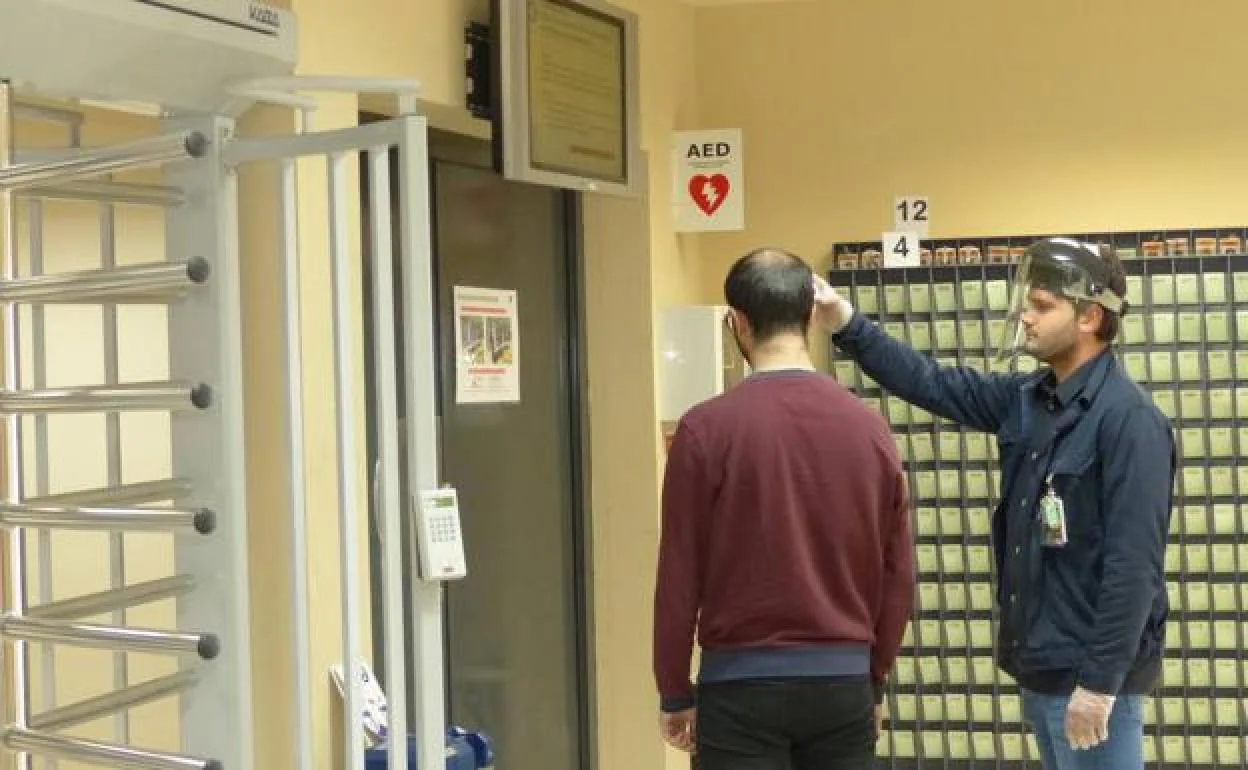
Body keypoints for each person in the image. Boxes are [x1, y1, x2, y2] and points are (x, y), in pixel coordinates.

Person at [813, 237, 1176, 770]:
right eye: (1026, 302)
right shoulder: (1029, 401)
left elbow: (1134, 567)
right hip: (1044, 667)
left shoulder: (1129, 421)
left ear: (1090, 317)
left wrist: (1099, 684)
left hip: (1093, 680)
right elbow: (930, 383)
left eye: (1043, 306)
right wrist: (846, 322)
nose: (1024, 317)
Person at [653, 247, 916, 770]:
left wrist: (675, 691)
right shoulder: (870, 430)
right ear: (810, 317)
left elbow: (679, 571)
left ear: (738, 322)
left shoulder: (704, 430)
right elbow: (898, 573)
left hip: (739, 686)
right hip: (842, 682)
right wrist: (876, 676)